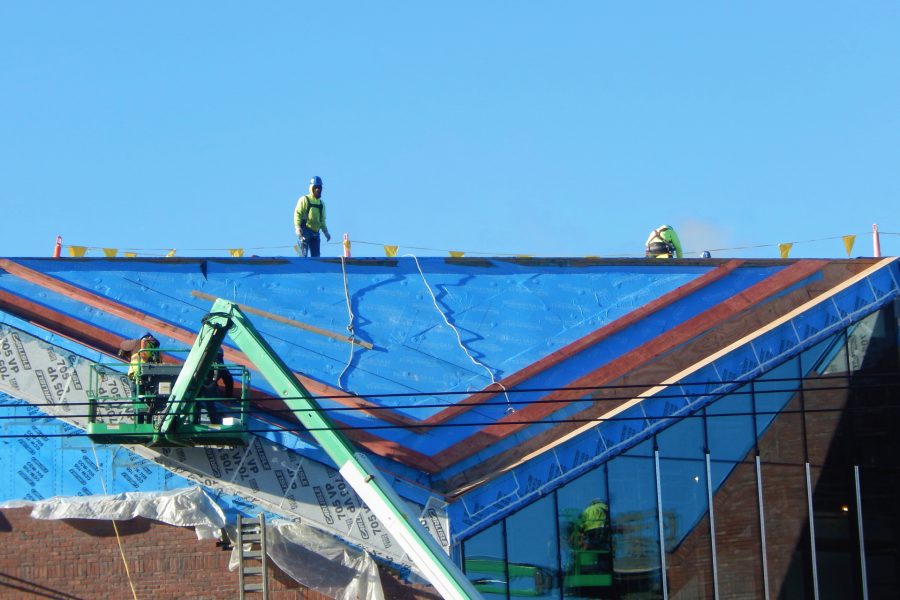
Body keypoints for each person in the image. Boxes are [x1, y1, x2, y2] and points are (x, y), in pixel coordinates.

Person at [294, 175, 331, 257]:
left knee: (316, 257)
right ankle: (302, 265)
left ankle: (315, 268)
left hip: (316, 233)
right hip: (305, 231)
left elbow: (322, 220)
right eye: (315, 187)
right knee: (303, 255)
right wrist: (297, 227)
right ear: (311, 188)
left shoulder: (321, 204)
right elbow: (297, 214)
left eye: (319, 188)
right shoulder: (304, 200)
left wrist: (326, 232)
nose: (317, 189)